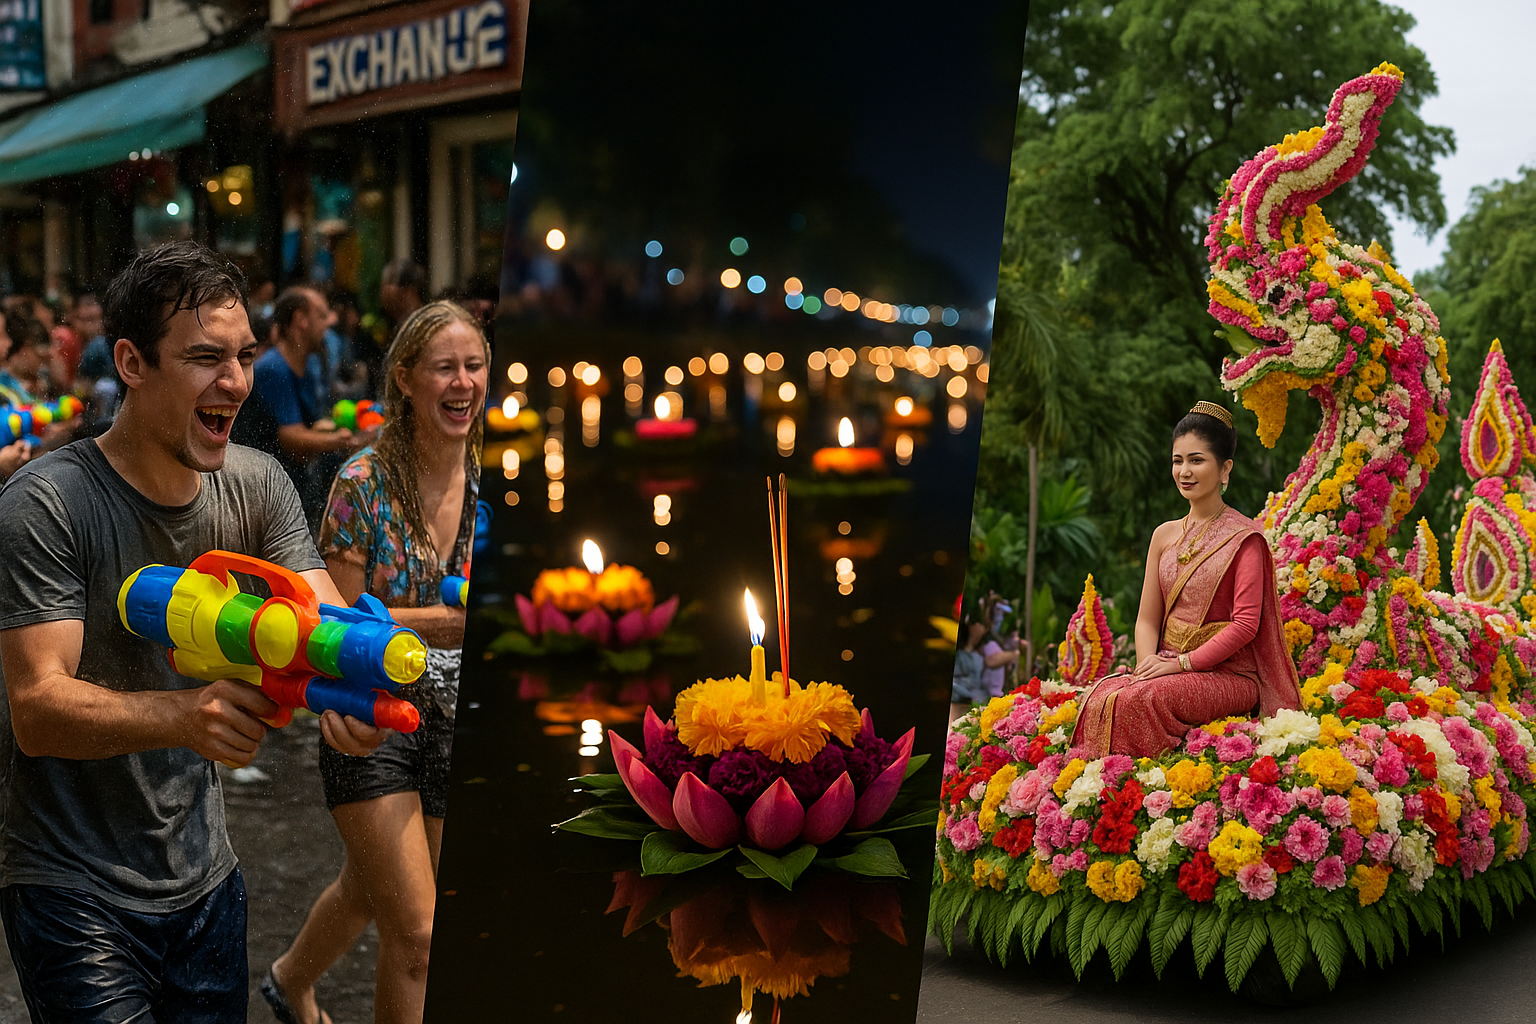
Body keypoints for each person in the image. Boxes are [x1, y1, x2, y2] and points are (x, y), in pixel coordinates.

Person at [0, 242, 385, 1023]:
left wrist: (354, 691)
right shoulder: (47, 502)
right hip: (69, 888)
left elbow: (320, 625)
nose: (237, 381)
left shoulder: (258, 483)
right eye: (206, 358)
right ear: (132, 364)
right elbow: (36, 710)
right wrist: (186, 714)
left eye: (244, 355)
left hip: (207, 881)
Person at [263, 300, 487, 1024]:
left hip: (455, 721)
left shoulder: (496, 478)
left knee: (373, 890)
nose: (464, 382)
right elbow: (337, 626)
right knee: (419, 932)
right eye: (445, 367)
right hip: (373, 718)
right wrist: (447, 622)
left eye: (475, 365)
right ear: (405, 379)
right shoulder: (361, 484)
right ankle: (291, 981)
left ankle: (289, 979)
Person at [1071, 401, 1301, 758]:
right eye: (1178, 461)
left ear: (1225, 469)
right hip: (1166, 665)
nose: (1184, 471)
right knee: (1102, 696)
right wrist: (1148, 665)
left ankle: (1142, 788)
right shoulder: (1164, 535)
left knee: (1142, 700)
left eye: (1197, 460)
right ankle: (1103, 793)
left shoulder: (1245, 539)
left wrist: (1179, 665)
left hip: (1231, 677)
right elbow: (1147, 618)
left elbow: (1245, 626)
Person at [232, 285, 361, 528]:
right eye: (322, 315)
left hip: (289, 485)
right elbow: (291, 437)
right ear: (301, 320)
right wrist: (343, 441)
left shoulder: (308, 366)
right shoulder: (274, 369)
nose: (329, 323)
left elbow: (307, 425)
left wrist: (337, 429)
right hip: (260, 495)